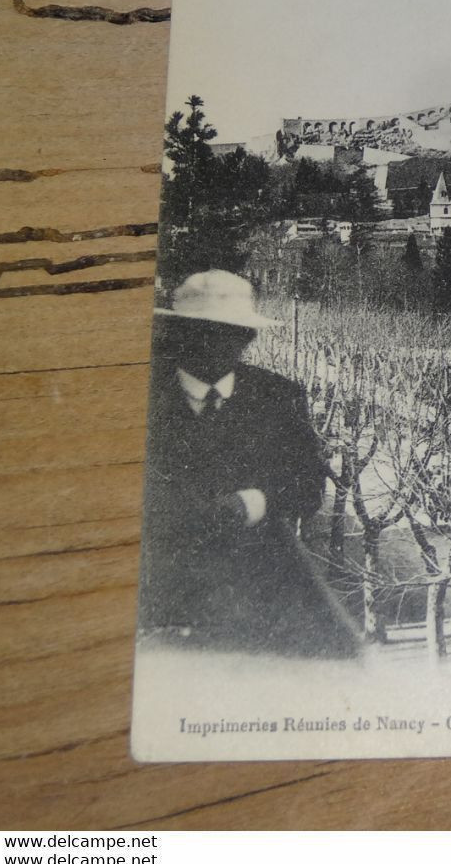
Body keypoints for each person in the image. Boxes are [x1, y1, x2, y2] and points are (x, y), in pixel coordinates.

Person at [138, 270, 362, 659]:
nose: (212, 343)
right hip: (160, 571)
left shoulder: (277, 396)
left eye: (228, 332)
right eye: (199, 330)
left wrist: (251, 502)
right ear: (176, 333)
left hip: (259, 568)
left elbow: (308, 488)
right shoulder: (140, 392)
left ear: (247, 338)